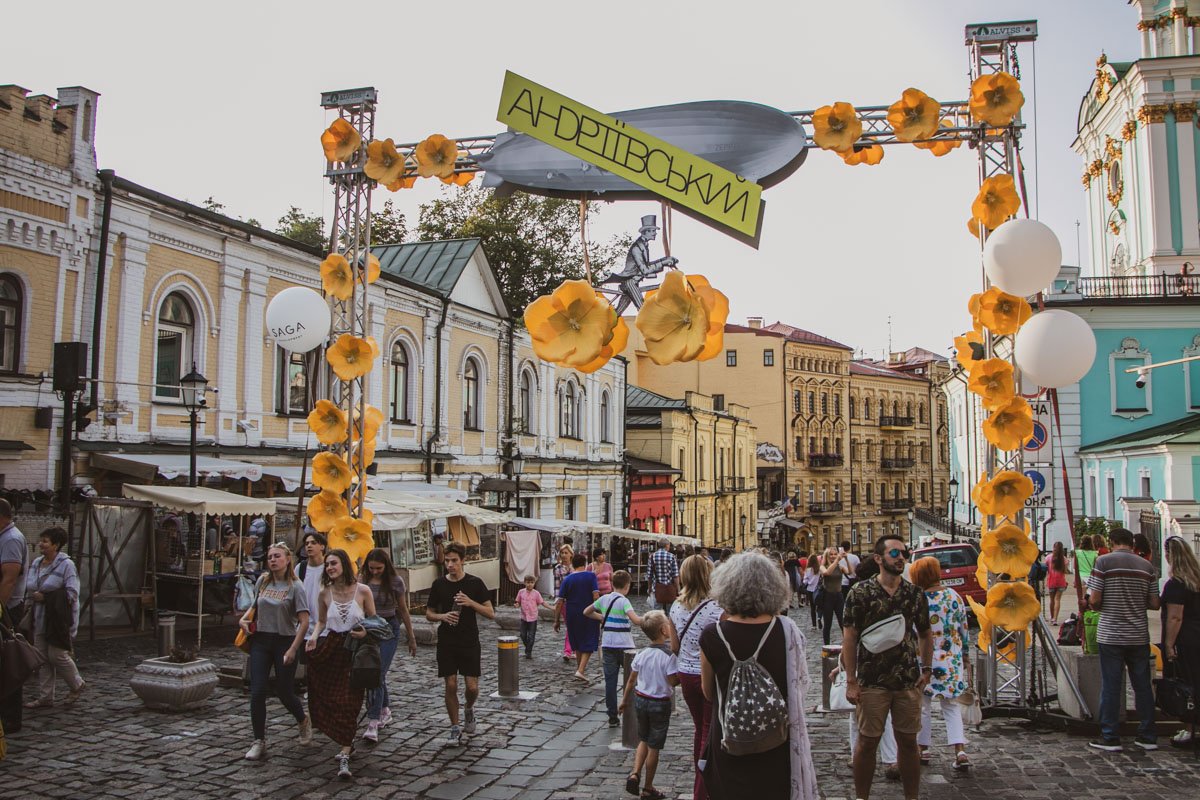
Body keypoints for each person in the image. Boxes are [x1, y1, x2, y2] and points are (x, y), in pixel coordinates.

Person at [699, 552, 818, 800]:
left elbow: (709, 692)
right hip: (776, 740)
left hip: (729, 739)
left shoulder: (712, 634)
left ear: (726, 587)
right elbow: (800, 685)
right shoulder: (787, 631)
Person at [842, 535, 933, 800]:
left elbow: (926, 633)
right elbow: (849, 636)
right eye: (895, 553)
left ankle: (911, 796)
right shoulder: (860, 592)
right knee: (868, 742)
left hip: (906, 679)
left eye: (904, 553)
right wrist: (851, 679)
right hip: (871, 680)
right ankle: (862, 797)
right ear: (879, 559)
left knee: (908, 742)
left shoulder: (913, 593)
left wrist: (926, 669)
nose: (901, 558)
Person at [1086, 527, 1160, 752]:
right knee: (1143, 686)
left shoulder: (1104, 562)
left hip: (1111, 633)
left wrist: (1091, 602)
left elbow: (1096, 599)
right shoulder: (1147, 566)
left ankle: (1110, 736)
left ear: (1112, 541)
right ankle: (1147, 735)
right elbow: (1155, 603)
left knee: (1111, 686)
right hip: (1138, 634)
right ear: (1132, 544)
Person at [305, 548, 376, 778]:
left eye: (333, 563)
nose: (330, 568)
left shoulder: (363, 591)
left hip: (355, 652)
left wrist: (366, 632)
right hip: (332, 650)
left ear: (344, 564)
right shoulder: (325, 593)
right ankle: (347, 740)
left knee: (350, 701)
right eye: (327, 565)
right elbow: (322, 621)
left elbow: (375, 622)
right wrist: (314, 637)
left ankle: (345, 755)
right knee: (330, 698)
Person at [241, 543, 311, 761]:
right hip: (261, 640)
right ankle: (258, 740)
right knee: (258, 690)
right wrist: (244, 619)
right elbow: (254, 607)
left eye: (277, 556)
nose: (272, 560)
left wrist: (293, 649)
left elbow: (304, 621)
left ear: (287, 559)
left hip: (284, 640)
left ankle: (302, 719)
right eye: (270, 556)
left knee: (284, 691)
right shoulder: (263, 581)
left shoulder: (295, 586)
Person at [426, 541, 494, 743]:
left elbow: (490, 613)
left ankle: (469, 708)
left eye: (454, 561)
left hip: (469, 639)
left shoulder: (474, 583)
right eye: (447, 561)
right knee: (451, 684)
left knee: (472, 687)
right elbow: (429, 613)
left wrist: (470, 602)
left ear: (463, 561)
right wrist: (443, 616)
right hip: (447, 640)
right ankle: (455, 727)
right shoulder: (439, 584)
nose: (450, 565)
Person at [667, 555, 723, 800]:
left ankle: (702, 780)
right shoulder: (717, 608)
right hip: (709, 676)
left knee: (700, 729)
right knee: (710, 732)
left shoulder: (676, 606)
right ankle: (703, 789)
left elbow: (674, 646)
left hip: (686, 673)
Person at [909, 556, 972, 770]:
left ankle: (922, 748)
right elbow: (964, 627)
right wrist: (965, 653)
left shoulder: (918, 599)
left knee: (923, 706)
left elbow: (912, 631)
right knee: (951, 706)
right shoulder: (954, 596)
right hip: (950, 660)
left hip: (923, 660)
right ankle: (960, 749)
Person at [22, 527, 84, 709]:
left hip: (58, 620)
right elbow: (30, 587)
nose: (41, 544)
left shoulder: (66, 565)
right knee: (42, 657)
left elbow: (72, 593)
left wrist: (46, 597)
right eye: (41, 540)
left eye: (45, 541)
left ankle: (77, 683)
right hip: (39, 618)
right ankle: (46, 696)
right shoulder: (37, 563)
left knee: (56, 655)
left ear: (56, 545)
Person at [619, 610, 679, 800]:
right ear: (663, 630)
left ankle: (635, 773)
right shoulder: (669, 656)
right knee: (654, 746)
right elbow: (672, 682)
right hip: (659, 704)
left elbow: (630, 680)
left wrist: (624, 700)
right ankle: (648, 787)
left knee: (643, 739)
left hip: (640, 700)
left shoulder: (642, 654)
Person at [360, 548, 416, 742]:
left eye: (379, 568)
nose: (375, 571)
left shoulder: (395, 581)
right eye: (372, 568)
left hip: (388, 628)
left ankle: (373, 721)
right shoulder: (363, 580)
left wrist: (411, 636)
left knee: (378, 673)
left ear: (386, 566)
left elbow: (403, 610)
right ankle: (384, 709)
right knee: (372, 672)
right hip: (368, 628)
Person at [586, 569, 642, 727]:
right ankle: (631, 711)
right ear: (627, 586)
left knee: (610, 682)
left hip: (608, 644)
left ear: (612, 584)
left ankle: (612, 716)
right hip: (626, 646)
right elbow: (636, 620)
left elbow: (586, 612)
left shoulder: (604, 599)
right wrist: (650, 618)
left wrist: (601, 617)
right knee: (632, 680)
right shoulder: (624, 601)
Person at [1162, 536, 1200, 748]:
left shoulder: (1177, 584)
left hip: (1186, 639)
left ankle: (1190, 727)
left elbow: (1175, 617)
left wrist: (1169, 644)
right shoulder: (1196, 581)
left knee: (1186, 683)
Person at [0, 498, 30, 733]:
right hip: (6, 607)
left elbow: (9, 578)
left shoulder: (11, 539)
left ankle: (11, 717)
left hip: (8, 609)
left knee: (9, 660)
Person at [556, 553, 600, 681]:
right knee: (589, 639)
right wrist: (598, 611)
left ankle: (580, 670)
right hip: (588, 611)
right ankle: (581, 670)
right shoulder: (591, 576)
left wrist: (556, 620)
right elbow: (596, 596)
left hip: (572, 613)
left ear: (573, 565)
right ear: (585, 564)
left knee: (577, 640)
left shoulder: (567, 579)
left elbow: (560, 601)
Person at [296, 531, 326, 644]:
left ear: (322, 546)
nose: (309, 545)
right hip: (304, 628)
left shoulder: (329, 568)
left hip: (325, 629)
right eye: (307, 543)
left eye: (313, 543)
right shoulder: (300, 568)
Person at [515, 575, 554, 659]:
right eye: (528, 582)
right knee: (522, 635)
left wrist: (551, 608)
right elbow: (518, 601)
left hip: (533, 618)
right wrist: (517, 604)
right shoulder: (521, 592)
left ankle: (528, 652)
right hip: (524, 617)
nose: (530, 584)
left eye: (532, 582)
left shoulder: (536, 593)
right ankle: (527, 647)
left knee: (531, 636)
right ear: (524, 583)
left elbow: (542, 602)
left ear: (534, 583)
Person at [819, 546, 849, 645]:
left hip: (839, 596)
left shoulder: (839, 567)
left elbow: (850, 572)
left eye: (835, 554)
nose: (833, 556)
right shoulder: (823, 566)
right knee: (828, 624)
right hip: (828, 596)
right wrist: (836, 560)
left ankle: (847, 644)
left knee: (843, 622)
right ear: (827, 556)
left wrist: (846, 558)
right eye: (831, 554)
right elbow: (827, 573)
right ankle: (826, 646)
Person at [554, 545, 575, 663]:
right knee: (570, 625)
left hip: (576, 600)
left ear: (571, 554)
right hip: (565, 600)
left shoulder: (575, 567)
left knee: (574, 626)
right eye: (562, 553)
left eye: (566, 553)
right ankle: (568, 650)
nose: (564, 555)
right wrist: (558, 601)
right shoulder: (558, 568)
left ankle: (572, 649)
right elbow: (557, 586)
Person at [649, 538, 680, 617]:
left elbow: (650, 575)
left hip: (657, 588)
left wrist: (649, 589)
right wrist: (678, 589)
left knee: (657, 614)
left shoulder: (652, 557)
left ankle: (657, 628)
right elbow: (675, 575)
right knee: (670, 613)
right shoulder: (672, 556)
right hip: (670, 589)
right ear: (667, 545)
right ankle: (669, 627)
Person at [1046, 542, 1069, 624]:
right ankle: (1055, 618)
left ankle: (1052, 617)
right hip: (1061, 581)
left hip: (1051, 580)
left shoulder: (1048, 557)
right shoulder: (1064, 559)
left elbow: (1046, 569)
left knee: (1052, 600)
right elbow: (1065, 571)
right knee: (1057, 599)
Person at [804, 556, 821, 628]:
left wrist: (808, 582)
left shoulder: (808, 570)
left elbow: (804, 581)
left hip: (810, 590)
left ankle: (814, 625)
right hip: (818, 589)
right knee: (820, 606)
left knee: (812, 607)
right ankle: (819, 618)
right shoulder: (819, 570)